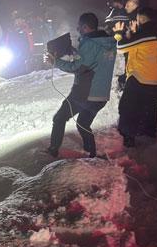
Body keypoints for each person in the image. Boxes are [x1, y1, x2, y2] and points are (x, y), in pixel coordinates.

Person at [45, 13, 116, 158]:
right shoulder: (107, 42)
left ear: (84, 27)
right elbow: (93, 61)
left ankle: (52, 151)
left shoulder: (90, 43)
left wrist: (55, 62)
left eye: (79, 26)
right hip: (101, 95)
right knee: (83, 124)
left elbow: (78, 68)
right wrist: (76, 52)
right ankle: (92, 155)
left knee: (59, 118)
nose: (78, 29)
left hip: (85, 92)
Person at [114, 7, 157, 146]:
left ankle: (128, 139)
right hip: (154, 79)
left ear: (144, 19)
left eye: (138, 18)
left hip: (138, 77)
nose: (136, 21)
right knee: (150, 108)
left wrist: (118, 34)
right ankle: (149, 134)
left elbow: (121, 47)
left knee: (128, 109)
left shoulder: (147, 33)